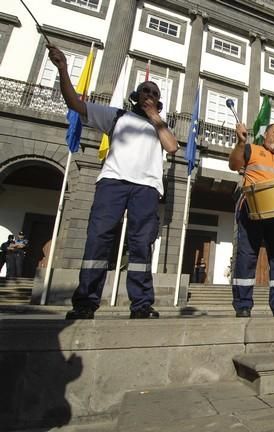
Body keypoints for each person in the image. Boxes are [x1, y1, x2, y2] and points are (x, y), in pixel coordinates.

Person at [47, 45, 179, 320]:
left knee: (141, 245)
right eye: (146, 91)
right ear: (135, 96)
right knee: (99, 240)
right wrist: (62, 69)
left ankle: (141, 304)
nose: (150, 95)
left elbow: (173, 147)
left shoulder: (160, 126)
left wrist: (157, 119)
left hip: (147, 188)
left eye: (155, 93)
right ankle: (85, 302)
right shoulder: (117, 116)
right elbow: (75, 103)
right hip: (113, 183)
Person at [228, 122, 274, 318]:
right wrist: (241, 143)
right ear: (265, 134)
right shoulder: (252, 149)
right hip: (252, 208)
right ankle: (243, 304)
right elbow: (234, 164)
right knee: (247, 256)